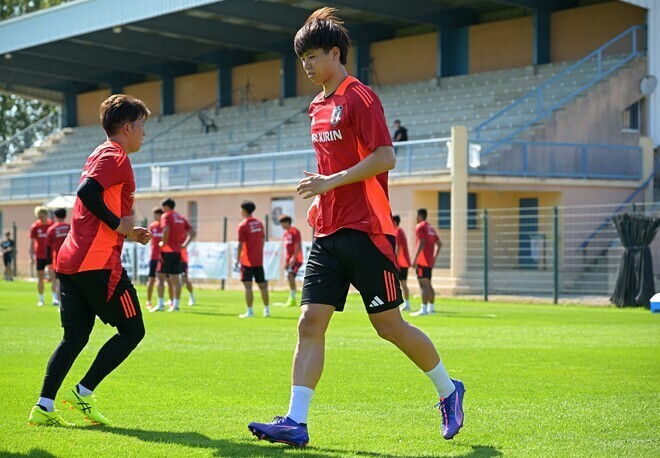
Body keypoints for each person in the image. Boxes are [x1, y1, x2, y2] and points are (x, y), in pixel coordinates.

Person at [248, 8, 465, 447]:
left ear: (335, 52)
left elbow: (386, 156)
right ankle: (296, 421)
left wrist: (329, 182)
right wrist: (323, 197)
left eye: (313, 55)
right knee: (309, 322)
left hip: (368, 230)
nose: (306, 65)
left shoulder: (360, 97)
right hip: (328, 233)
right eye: (301, 58)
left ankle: (449, 389)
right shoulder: (317, 106)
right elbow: (336, 167)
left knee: (390, 327)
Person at [28, 94, 151, 427]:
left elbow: (94, 202)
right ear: (126, 127)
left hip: (72, 259)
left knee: (76, 337)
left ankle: (43, 406)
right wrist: (117, 224)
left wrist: (127, 231)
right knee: (133, 330)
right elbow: (85, 192)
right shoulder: (116, 155)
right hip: (96, 262)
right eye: (141, 125)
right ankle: (83, 392)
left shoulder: (100, 152)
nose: (144, 132)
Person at [155, 198, 194, 313]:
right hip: (177, 252)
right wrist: (184, 244)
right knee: (176, 280)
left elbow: (166, 229)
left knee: (160, 278)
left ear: (166, 207)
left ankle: (161, 304)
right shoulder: (181, 218)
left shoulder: (166, 216)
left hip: (166, 251)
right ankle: (175, 306)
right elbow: (192, 232)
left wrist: (164, 242)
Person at [236, 200, 270, 318]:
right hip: (258, 260)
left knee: (248, 287)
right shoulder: (259, 223)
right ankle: (267, 311)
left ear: (244, 210)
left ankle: (250, 312)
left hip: (247, 260)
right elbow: (262, 240)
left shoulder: (243, 225)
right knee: (263, 286)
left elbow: (240, 244)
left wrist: (237, 259)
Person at [411, 208, 442, 316]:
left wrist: (415, 259)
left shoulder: (420, 226)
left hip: (422, 261)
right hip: (429, 261)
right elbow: (439, 244)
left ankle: (423, 309)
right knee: (428, 284)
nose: (415, 218)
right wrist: (434, 258)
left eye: (416, 215)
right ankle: (431, 308)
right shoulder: (430, 228)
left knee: (423, 285)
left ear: (420, 216)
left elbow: (422, 242)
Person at [145, 207, 172, 311]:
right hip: (154, 257)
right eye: (154, 215)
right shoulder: (152, 226)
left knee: (168, 279)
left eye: (157, 214)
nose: (155, 217)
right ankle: (149, 301)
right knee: (151, 279)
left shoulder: (165, 227)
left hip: (164, 257)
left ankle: (171, 301)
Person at [45, 208, 71, 306]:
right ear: (65, 216)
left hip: (58, 260)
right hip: (71, 258)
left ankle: (60, 303)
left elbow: (47, 247)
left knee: (59, 281)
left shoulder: (51, 229)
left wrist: (48, 263)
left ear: (55, 216)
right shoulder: (70, 227)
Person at [29, 206, 53, 306]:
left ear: (46, 215)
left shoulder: (51, 225)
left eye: (43, 215)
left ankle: (55, 298)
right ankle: (41, 299)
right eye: (39, 216)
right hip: (39, 255)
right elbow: (31, 243)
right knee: (40, 277)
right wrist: (31, 257)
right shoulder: (35, 226)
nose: (41, 217)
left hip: (51, 254)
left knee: (54, 277)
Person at [279, 215, 303, 307]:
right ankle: (292, 298)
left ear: (287, 222)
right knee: (290, 277)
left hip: (296, 259)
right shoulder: (286, 234)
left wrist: (293, 257)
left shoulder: (295, 232)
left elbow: (298, 245)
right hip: (290, 260)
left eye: (282, 223)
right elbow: (287, 249)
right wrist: (286, 261)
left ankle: (292, 299)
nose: (282, 225)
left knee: (290, 276)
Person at [393, 215, 412, 311]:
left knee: (402, 283)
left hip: (401, 263)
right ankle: (406, 303)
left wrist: (394, 260)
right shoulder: (400, 231)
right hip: (402, 262)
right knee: (402, 283)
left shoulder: (398, 231)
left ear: (395, 222)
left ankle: (407, 304)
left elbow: (398, 247)